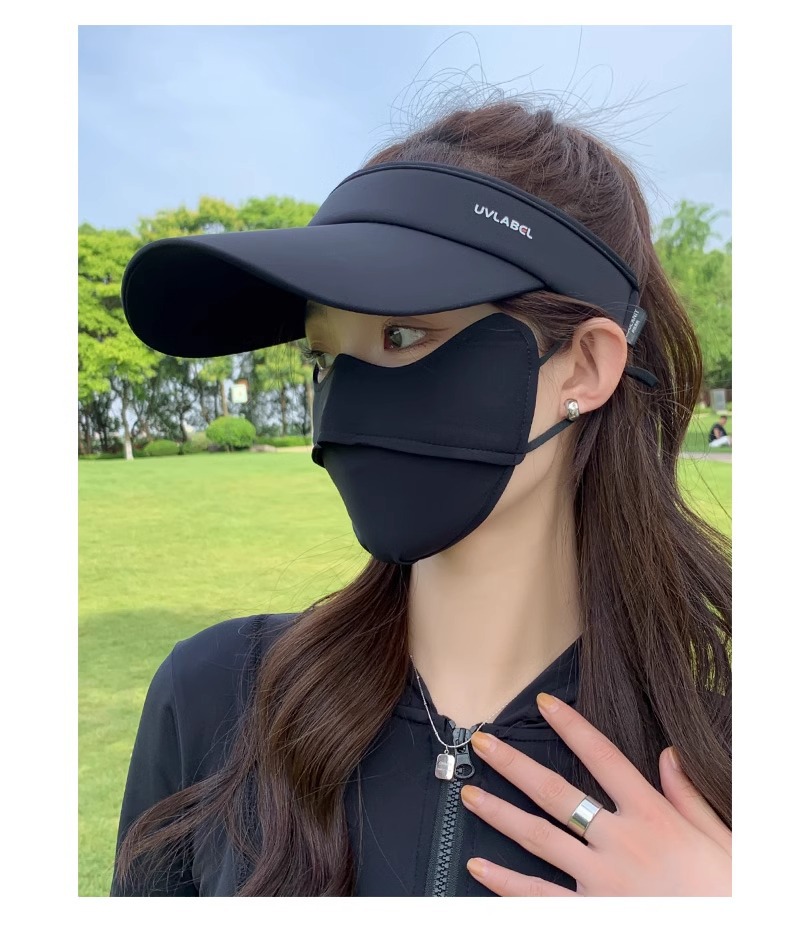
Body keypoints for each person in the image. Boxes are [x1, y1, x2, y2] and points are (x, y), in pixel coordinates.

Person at [110, 98, 731, 897]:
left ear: (583, 367)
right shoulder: (213, 700)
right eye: (325, 356)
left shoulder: (725, 760)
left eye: (402, 335)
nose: (344, 405)